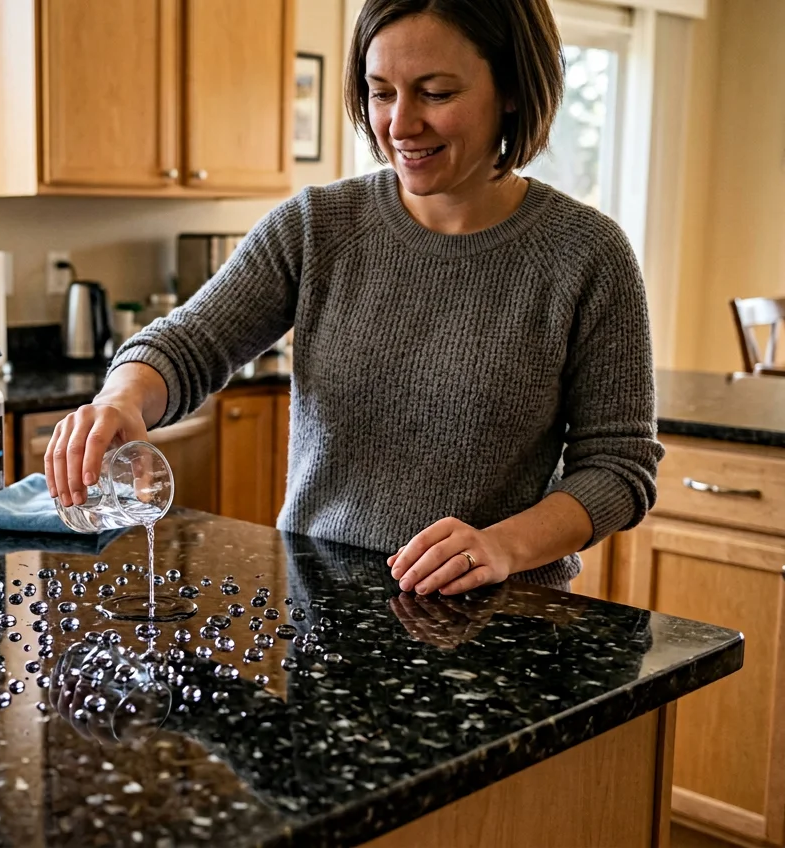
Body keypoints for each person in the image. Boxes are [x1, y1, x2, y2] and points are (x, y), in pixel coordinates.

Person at [43, 0, 664, 595]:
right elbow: (188, 343)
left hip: (502, 620)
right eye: (381, 91)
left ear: (511, 89)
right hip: (324, 615)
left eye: (437, 93)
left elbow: (618, 468)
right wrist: (121, 399)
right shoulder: (317, 227)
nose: (400, 124)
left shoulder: (586, 254)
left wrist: (501, 546)